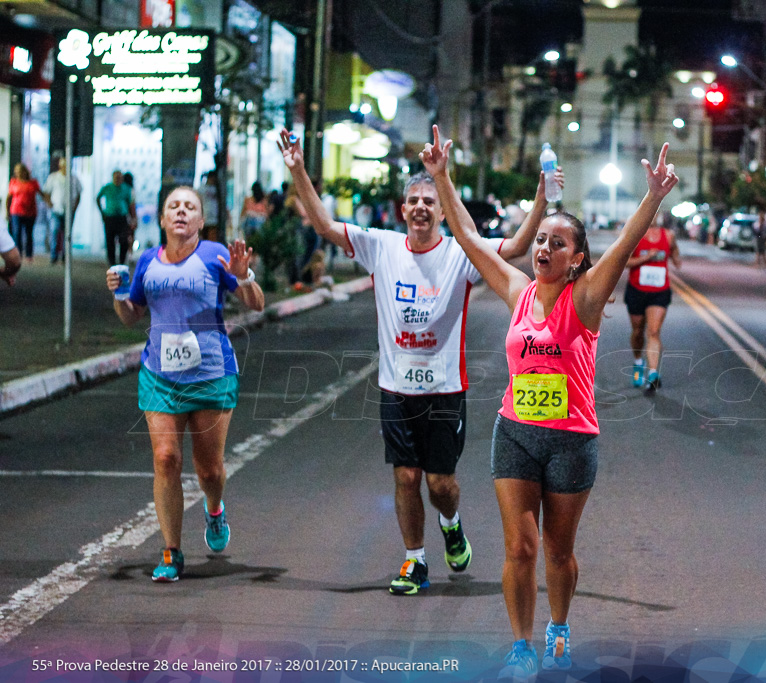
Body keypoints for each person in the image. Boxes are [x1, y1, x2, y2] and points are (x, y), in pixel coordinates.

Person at [420, 125, 678, 677]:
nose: (543, 248)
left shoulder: (585, 300)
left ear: (577, 259)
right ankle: (521, 645)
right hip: (514, 432)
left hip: (571, 441)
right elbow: (467, 238)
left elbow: (625, 247)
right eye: (541, 240)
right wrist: (442, 178)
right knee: (520, 549)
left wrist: (652, 197)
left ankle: (558, 625)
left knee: (558, 552)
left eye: (557, 244)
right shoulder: (517, 293)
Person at [278, 128, 560, 597]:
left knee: (441, 485)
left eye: (431, 200)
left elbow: (517, 247)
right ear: (402, 210)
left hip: (445, 391)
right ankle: (415, 561)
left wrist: (540, 195)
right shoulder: (381, 246)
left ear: (442, 210)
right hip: (396, 389)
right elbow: (325, 225)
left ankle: (451, 524)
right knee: (406, 476)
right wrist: (297, 169)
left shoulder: (461, 252)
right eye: (414, 201)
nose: (422, 207)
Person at [104, 186, 265, 582]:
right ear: (161, 219)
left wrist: (244, 278)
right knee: (165, 458)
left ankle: (214, 510)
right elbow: (131, 317)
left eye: (189, 207)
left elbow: (256, 303)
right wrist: (119, 294)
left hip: (211, 374)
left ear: (199, 221)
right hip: (160, 375)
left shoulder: (214, 255)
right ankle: (172, 551)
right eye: (173, 207)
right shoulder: (146, 261)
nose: (180, 212)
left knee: (208, 470)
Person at [624, 211, 682, 393]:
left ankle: (653, 374)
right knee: (638, 331)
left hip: (660, 291)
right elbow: (624, 261)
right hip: (636, 290)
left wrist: (675, 256)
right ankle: (638, 362)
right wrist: (646, 257)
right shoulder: (635, 234)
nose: (654, 216)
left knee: (654, 331)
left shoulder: (669, 236)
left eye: (657, 212)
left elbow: (676, 256)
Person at [42, 156, 82, 264]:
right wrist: (50, 204)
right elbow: (45, 192)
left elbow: (79, 193)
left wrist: (75, 207)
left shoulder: (74, 178)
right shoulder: (53, 177)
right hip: (56, 210)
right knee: (54, 231)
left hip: (69, 211)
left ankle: (65, 256)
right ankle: (54, 255)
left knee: (67, 234)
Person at [96, 170, 135, 266]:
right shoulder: (107, 187)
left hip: (122, 217)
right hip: (110, 217)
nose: (118, 179)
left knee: (123, 240)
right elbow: (98, 198)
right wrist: (102, 212)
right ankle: (112, 261)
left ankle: (122, 261)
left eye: (119, 177)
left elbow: (130, 203)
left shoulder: (126, 188)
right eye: (116, 177)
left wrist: (132, 218)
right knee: (110, 241)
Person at [6, 163, 43, 262]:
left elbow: (41, 193)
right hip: (16, 211)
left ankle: (29, 254)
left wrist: (50, 202)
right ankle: (18, 254)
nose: (18, 174)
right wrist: (6, 211)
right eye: (16, 172)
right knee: (17, 233)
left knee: (28, 233)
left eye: (20, 171)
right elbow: (8, 197)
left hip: (30, 212)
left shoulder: (33, 183)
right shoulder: (14, 182)